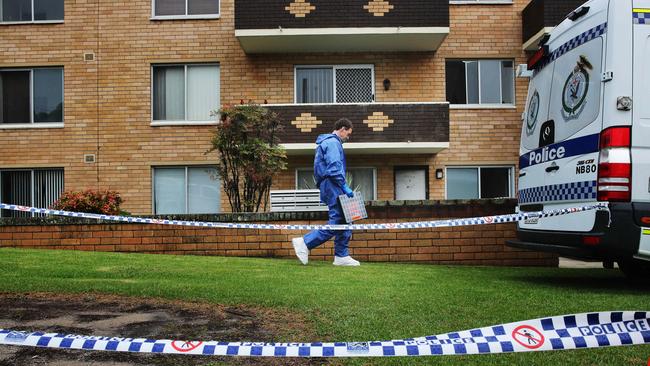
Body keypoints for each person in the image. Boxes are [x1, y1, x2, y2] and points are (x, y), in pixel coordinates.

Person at [292, 118, 360, 266]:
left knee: (345, 219)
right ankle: (305, 242)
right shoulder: (333, 143)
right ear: (342, 129)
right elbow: (334, 167)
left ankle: (342, 256)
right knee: (337, 220)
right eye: (348, 134)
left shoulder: (327, 143)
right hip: (332, 184)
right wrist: (344, 186)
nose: (348, 137)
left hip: (330, 184)